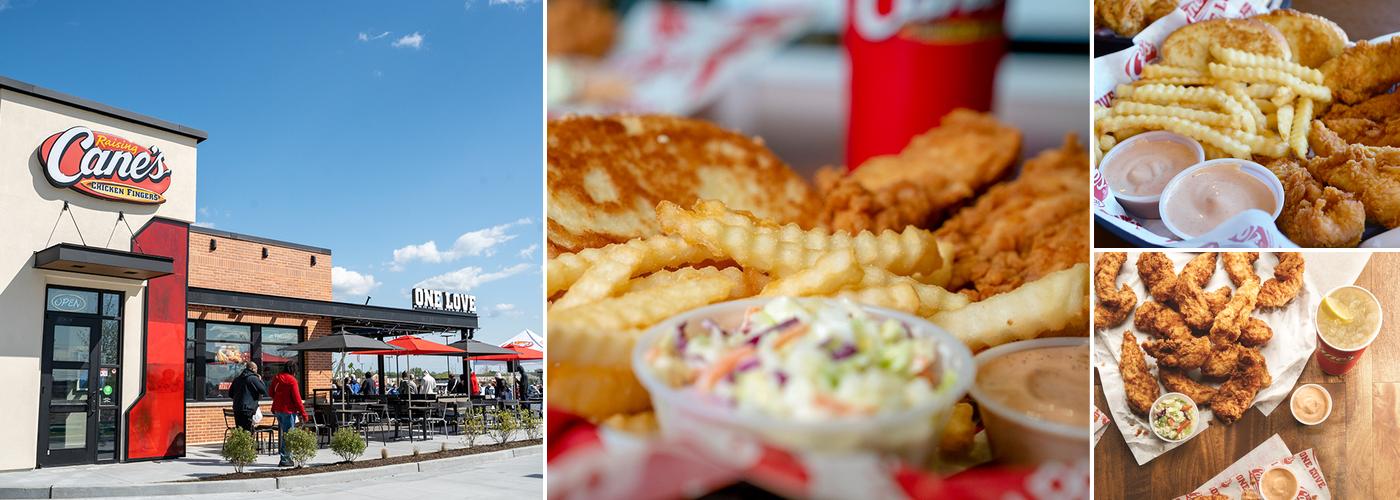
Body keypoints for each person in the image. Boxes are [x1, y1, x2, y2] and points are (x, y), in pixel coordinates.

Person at [269, 361, 309, 467]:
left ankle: (285, 457)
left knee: (285, 434)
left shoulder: (277, 378)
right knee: (289, 435)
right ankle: (285, 459)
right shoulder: (292, 381)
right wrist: (304, 414)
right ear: (294, 370)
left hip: (278, 410)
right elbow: (297, 399)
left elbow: (270, 393)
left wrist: (278, 399)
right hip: (289, 411)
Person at [228, 361, 267, 433]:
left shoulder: (237, 379)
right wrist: (260, 380)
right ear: (252, 369)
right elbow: (263, 390)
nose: (257, 371)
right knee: (248, 431)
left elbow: (230, 394)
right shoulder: (253, 378)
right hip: (248, 409)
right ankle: (248, 444)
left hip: (237, 408)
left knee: (240, 431)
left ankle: (241, 444)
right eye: (256, 369)